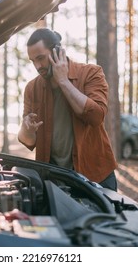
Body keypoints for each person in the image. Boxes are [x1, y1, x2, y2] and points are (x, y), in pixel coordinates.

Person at [18, 28, 118, 191]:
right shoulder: (32, 88)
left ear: (58, 52)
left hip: (96, 176)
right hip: (55, 180)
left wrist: (63, 81)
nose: (37, 66)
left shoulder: (91, 73)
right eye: (32, 61)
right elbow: (28, 141)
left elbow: (96, 116)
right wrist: (26, 128)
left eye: (41, 58)